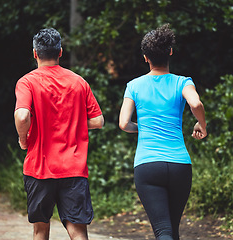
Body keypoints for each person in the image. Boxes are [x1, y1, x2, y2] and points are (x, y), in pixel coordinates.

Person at [119, 24, 207, 240]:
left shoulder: (134, 86)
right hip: (179, 165)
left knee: (163, 231)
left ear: (145, 57)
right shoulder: (182, 82)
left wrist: (143, 128)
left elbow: (123, 124)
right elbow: (195, 104)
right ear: (170, 52)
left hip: (148, 165)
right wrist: (202, 126)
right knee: (171, 230)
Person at [14, 28, 104, 240]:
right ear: (60, 52)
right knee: (78, 231)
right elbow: (98, 121)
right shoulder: (78, 82)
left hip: (39, 168)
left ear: (35, 53)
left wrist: (22, 139)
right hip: (73, 168)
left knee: (40, 230)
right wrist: (72, 121)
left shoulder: (27, 82)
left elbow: (22, 117)